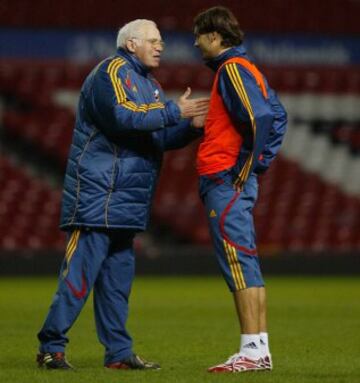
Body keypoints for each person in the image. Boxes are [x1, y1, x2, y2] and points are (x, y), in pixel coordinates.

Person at [36, 19, 208, 370]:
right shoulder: (111, 72)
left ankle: (118, 354)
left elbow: (155, 137)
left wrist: (189, 130)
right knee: (78, 278)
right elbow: (121, 117)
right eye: (153, 40)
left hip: (126, 201)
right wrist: (175, 111)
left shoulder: (151, 85)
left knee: (117, 285)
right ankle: (51, 348)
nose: (161, 46)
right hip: (98, 196)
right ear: (131, 44)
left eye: (161, 41)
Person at [193, 6, 287, 373]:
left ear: (215, 36)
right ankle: (257, 349)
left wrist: (248, 164)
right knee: (245, 259)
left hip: (225, 177)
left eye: (199, 35)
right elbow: (277, 115)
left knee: (237, 261)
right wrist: (256, 164)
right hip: (234, 177)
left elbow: (261, 117)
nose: (196, 43)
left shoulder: (231, 69)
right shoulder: (247, 69)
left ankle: (251, 352)